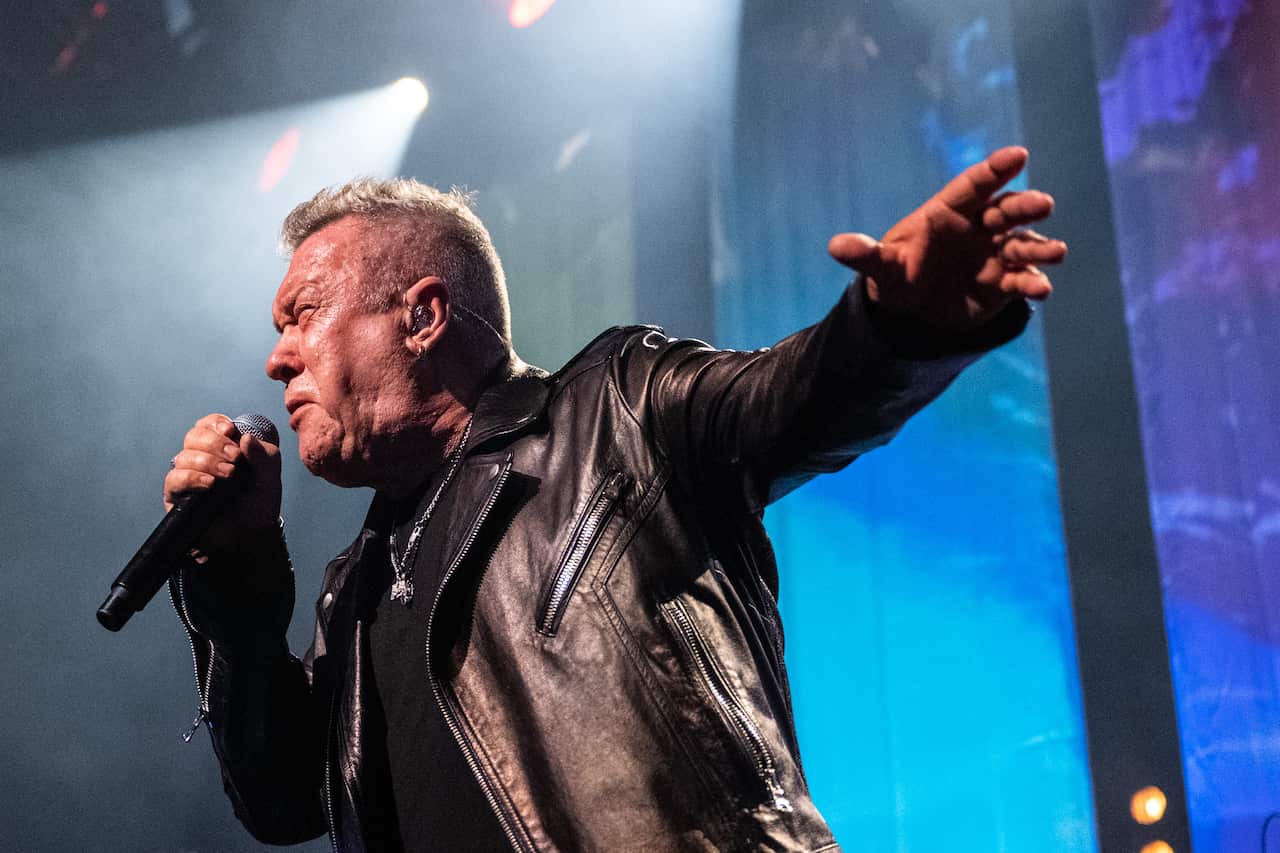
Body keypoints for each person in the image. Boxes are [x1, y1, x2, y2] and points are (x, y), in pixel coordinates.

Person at [163, 146, 1066, 852]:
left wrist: (894, 323)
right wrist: (235, 574)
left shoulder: (616, 409)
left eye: (305, 313)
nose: (280, 358)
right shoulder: (353, 591)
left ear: (423, 316)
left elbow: (790, 399)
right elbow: (282, 798)